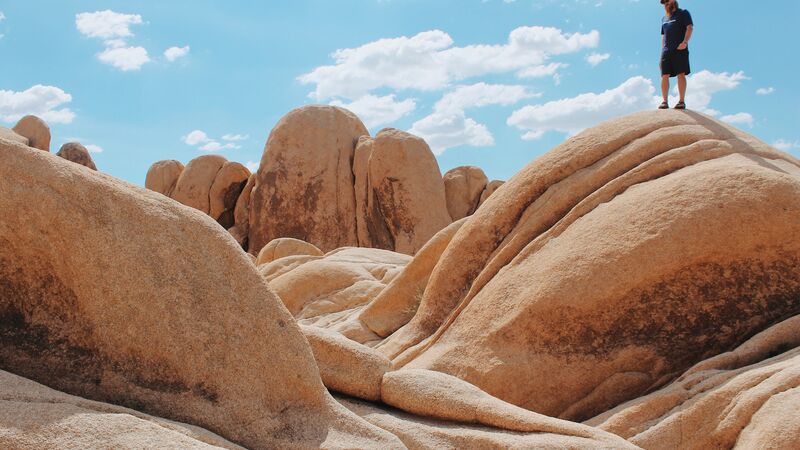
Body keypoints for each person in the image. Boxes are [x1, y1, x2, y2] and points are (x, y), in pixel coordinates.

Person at [658, 0, 693, 109]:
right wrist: (663, 49)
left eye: (667, 1)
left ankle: (681, 101)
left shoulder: (683, 13)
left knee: (680, 74)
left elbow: (689, 28)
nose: (666, 4)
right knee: (664, 75)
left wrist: (685, 42)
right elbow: (663, 35)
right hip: (666, 51)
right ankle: (664, 101)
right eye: (664, 3)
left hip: (679, 49)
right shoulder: (664, 19)